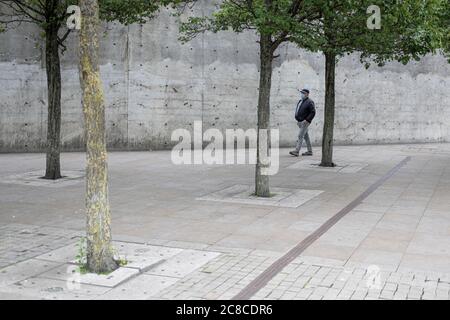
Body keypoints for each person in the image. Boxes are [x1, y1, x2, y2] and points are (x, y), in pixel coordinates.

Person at [290, 89, 316, 157]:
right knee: (306, 137)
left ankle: (296, 151)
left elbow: (313, 112)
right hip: (300, 122)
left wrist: (307, 120)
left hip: (305, 122)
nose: (302, 94)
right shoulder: (301, 101)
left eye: (303, 93)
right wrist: (298, 120)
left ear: (307, 94)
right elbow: (298, 110)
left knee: (300, 136)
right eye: (301, 93)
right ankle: (310, 151)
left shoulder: (310, 102)